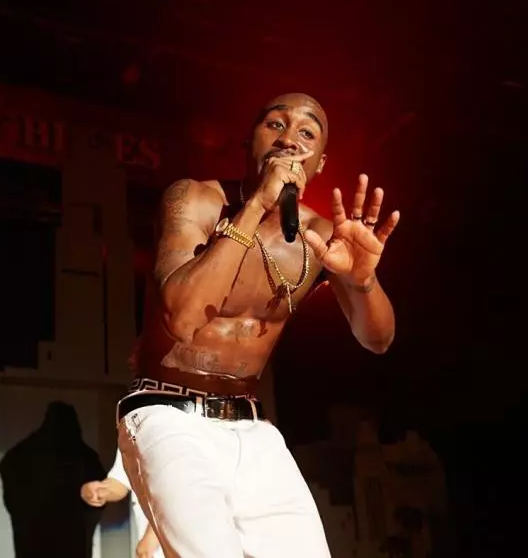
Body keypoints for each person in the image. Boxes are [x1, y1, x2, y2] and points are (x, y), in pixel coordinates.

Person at [116, 92, 400, 558]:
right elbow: (182, 317)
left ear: (320, 163)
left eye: (306, 132)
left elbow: (378, 339)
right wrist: (256, 206)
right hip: (168, 412)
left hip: (250, 427)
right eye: (275, 124)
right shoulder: (196, 200)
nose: (289, 139)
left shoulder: (320, 236)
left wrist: (363, 280)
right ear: (249, 141)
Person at [80, 449, 162, 558]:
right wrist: (98, 491)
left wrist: (152, 536)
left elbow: (177, 486)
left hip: (171, 539)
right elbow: (122, 479)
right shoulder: (130, 439)